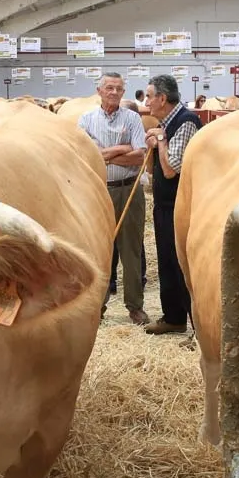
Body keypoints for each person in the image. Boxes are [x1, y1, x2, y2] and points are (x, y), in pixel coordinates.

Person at [78, 72, 150, 325]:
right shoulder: (86, 120)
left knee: (132, 250)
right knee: (99, 248)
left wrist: (104, 155)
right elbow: (85, 156)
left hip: (130, 189)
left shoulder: (132, 118)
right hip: (99, 190)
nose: (114, 92)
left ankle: (135, 306)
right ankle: (98, 305)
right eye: (109, 88)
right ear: (99, 91)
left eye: (119, 88)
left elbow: (140, 155)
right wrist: (123, 149)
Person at [143, 74, 202, 335]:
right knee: (167, 261)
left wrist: (161, 141)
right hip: (164, 205)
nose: (146, 102)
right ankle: (173, 317)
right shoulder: (166, 123)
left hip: (179, 206)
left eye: (149, 96)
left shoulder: (185, 122)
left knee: (181, 266)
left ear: (162, 98)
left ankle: (197, 326)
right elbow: (155, 171)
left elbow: (170, 170)